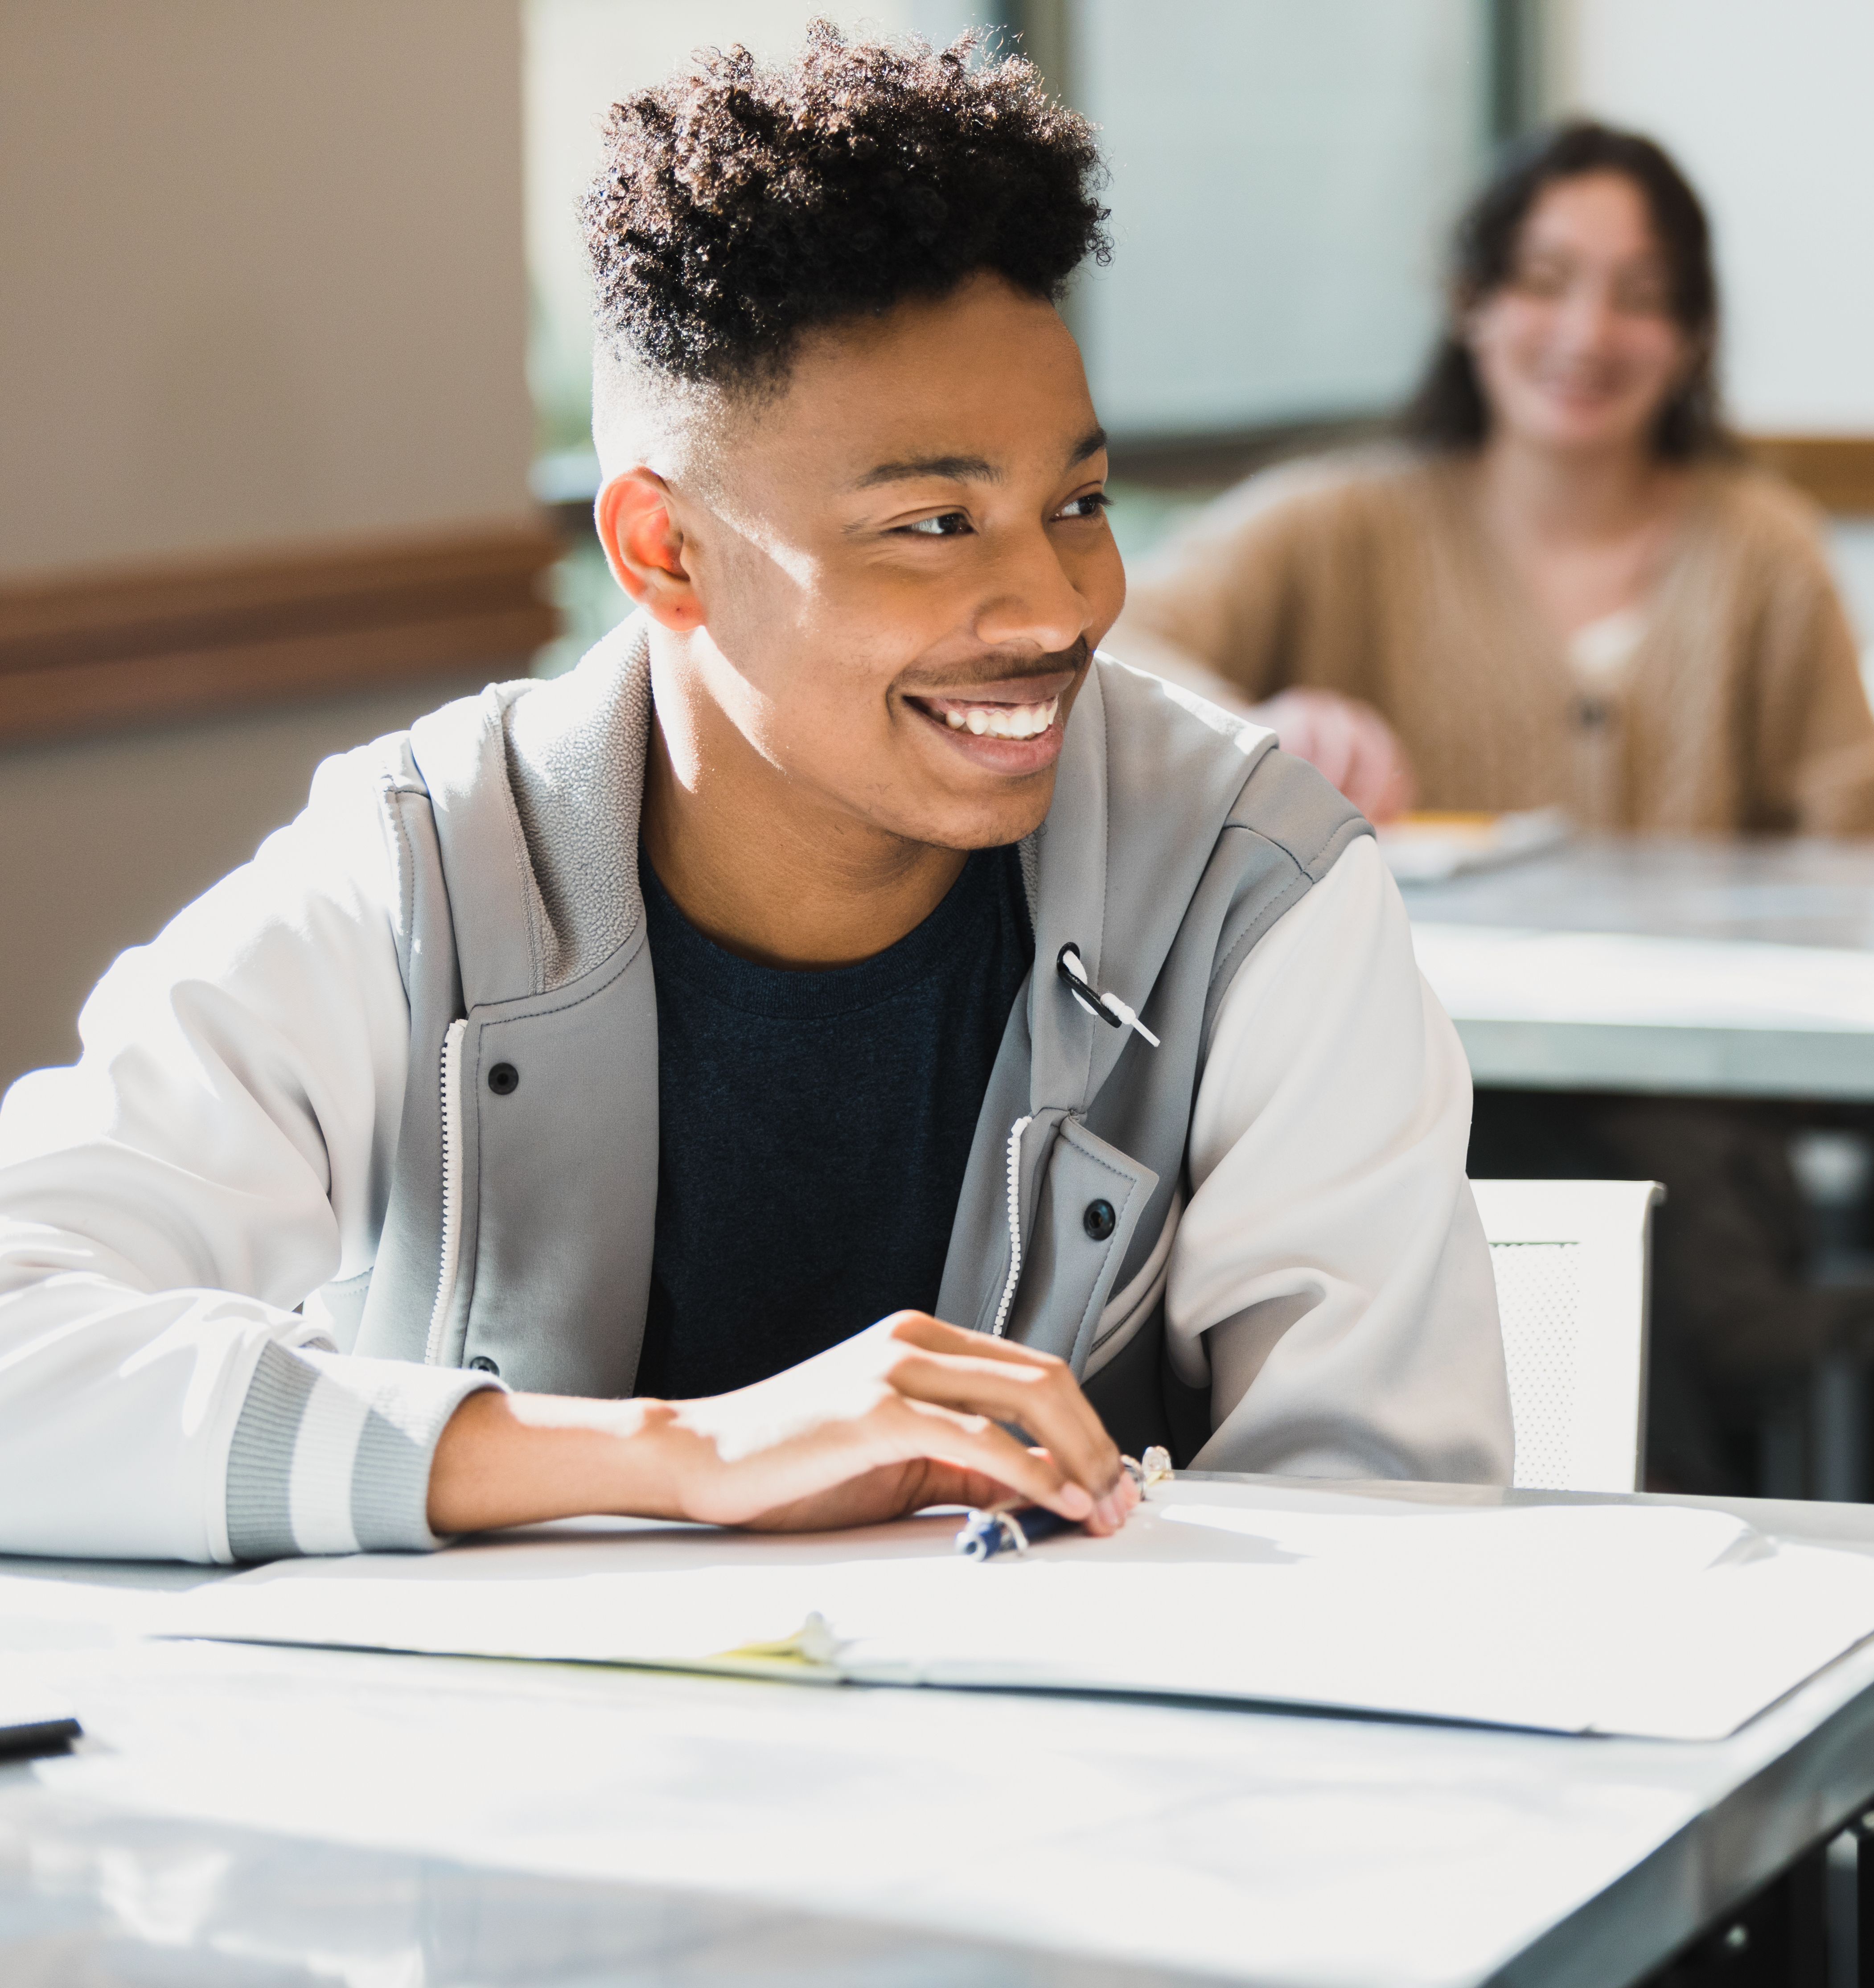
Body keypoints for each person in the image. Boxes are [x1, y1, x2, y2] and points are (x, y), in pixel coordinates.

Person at [0, 28, 1510, 1567]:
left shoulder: (1258, 893)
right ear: (662, 552)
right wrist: (686, 1455)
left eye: (1078, 504)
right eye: (933, 523)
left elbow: (1391, 1527)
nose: (1054, 605)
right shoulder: (423, 866)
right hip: (481, 1790)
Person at [1111, 123, 1874, 1496]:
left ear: (1693, 333)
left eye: (1644, 294)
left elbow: (1867, 853)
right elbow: (1110, 635)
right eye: (1545, 278)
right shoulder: (1345, 520)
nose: (1589, 330)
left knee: (1550, 1208)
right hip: (1385, 1086)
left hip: (1690, 1114)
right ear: (1472, 302)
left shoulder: (1762, 552)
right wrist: (1266, 729)